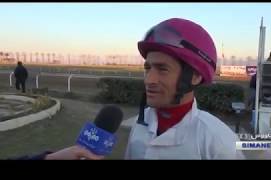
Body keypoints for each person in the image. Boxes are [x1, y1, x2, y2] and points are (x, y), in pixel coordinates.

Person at [18, 18, 245, 160]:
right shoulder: (142, 123)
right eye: (148, 68)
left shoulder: (218, 141)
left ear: (195, 76)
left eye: (162, 69)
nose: (149, 79)